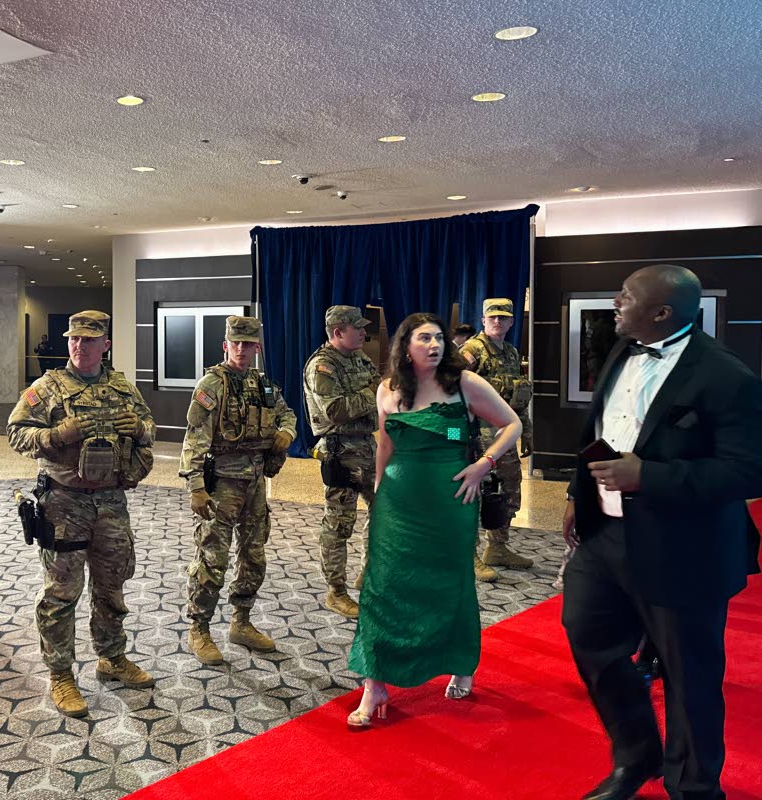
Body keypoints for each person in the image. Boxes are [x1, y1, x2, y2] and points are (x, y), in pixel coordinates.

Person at [561, 265, 762, 800]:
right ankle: (636, 758)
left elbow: (754, 473)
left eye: (626, 295)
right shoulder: (621, 348)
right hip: (604, 536)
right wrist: (573, 494)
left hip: (683, 548)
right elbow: (602, 429)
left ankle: (694, 787)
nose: (616, 301)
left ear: (661, 312)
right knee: (591, 641)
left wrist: (648, 476)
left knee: (688, 676)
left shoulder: (727, 376)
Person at [346, 312, 521, 727]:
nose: (435, 345)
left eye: (439, 338)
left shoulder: (464, 383)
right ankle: (375, 683)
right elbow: (387, 444)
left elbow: (509, 424)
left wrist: (482, 464)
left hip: (451, 500)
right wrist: (378, 492)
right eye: (424, 338)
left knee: (449, 581)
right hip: (398, 502)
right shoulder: (388, 389)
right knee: (384, 586)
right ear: (405, 346)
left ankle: (460, 662)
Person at [7, 310, 157, 718]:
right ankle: (61, 674)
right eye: (74, 339)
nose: (80, 345)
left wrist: (139, 429)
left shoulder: (123, 388)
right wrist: (56, 435)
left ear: (105, 344)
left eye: (89, 340)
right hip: (64, 504)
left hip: (111, 503)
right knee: (61, 593)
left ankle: (112, 657)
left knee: (111, 586)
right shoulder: (48, 387)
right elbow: (16, 432)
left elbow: (150, 429)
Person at [179, 316, 298, 664]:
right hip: (221, 485)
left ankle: (241, 622)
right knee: (212, 559)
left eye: (248, 344)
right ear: (226, 345)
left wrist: (286, 433)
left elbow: (287, 415)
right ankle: (199, 628)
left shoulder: (263, 385)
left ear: (257, 347)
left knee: (253, 556)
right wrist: (196, 487)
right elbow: (194, 439)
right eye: (236, 343)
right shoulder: (212, 384)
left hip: (256, 485)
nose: (242, 349)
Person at [303, 305, 381, 618]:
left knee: (384, 510)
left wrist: (375, 393)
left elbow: (382, 391)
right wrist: (372, 393)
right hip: (340, 452)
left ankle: (369, 573)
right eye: (357, 328)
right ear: (338, 332)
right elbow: (335, 410)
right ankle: (336, 592)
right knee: (339, 524)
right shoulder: (322, 366)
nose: (364, 332)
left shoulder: (360, 358)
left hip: (367, 446)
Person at [460, 298, 534, 581]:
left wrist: (526, 432)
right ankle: (469, 555)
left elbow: (518, 398)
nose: (497, 322)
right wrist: (457, 435)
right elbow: (450, 390)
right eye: (492, 317)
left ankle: (498, 547)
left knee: (509, 489)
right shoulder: (472, 351)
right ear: (483, 320)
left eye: (503, 318)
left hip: (504, 436)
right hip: (476, 437)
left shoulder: (512, 353)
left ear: (512, 321)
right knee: (474, 494)